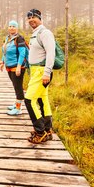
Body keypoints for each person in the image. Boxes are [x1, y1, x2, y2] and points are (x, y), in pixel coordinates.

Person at [24, 8, 55, 144]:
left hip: (42, 72)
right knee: (43, 100)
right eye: (29, 18)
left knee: (29, 100)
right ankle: (48, 130)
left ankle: (40, 132)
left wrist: (47, 72)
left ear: (40, 18)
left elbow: (51, 53)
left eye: (34, 17)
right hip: (36, 71)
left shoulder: (45, 33)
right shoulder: (35, 34)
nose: (31, 20)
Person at [0, 20, 28, 115]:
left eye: (14, 26)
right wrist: (2, 61)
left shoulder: (19, 38)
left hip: (17, 67)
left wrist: (19, 66)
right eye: (10, 26)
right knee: (15, 86)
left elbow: (22, 53)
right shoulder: (7, 38)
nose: (11, 28)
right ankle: (16, 104)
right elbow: (4, 51)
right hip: (9, 67)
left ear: (17, 28)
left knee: (18, 87)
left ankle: (18, 109)